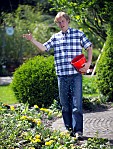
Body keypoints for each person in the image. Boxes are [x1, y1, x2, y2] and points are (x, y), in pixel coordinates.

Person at [23, 11, 92, 140]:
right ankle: (68, 129)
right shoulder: (55, 37)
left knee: (77, 105)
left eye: (63, 21)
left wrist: (88, 63)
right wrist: (32, 40)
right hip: (61, 75)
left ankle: (78, 131)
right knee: (65, 104)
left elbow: (89, 47)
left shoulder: (78, 34)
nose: (61, 24)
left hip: (76, 75)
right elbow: (44, 48)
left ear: (68, 21)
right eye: (59, 22)